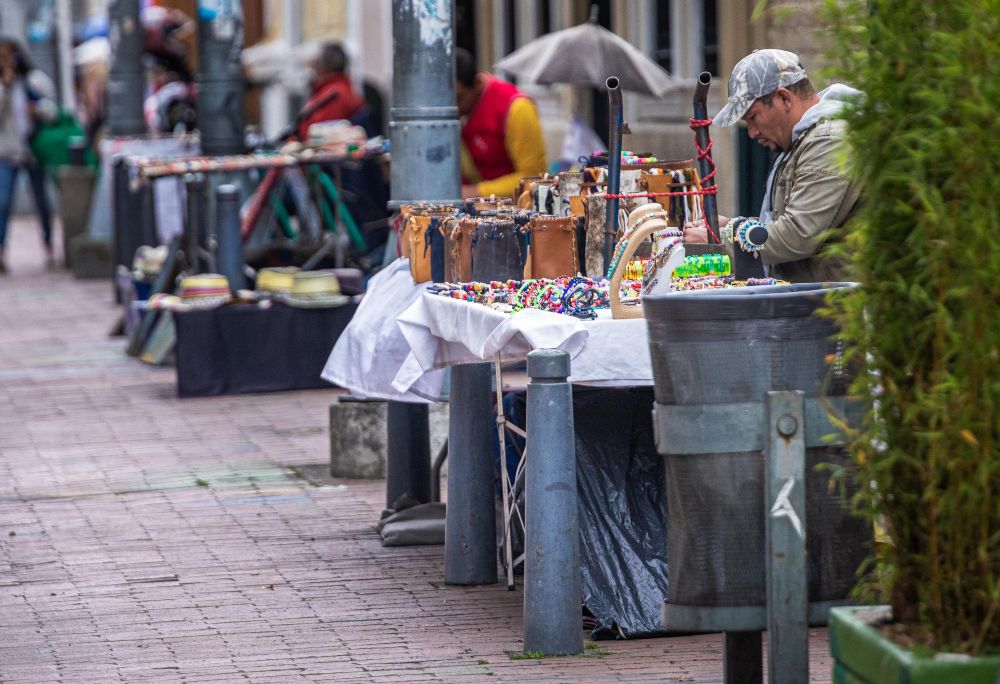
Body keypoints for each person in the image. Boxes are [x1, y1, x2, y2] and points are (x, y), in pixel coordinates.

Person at [683, 49, 862, 282]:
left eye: (753, 117)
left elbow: (798, 234)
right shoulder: (803, 140)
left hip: (839, 309)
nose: (752, 132)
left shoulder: (829, 141)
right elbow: (791, 223)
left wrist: (721, 238)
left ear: (784, 98)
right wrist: (739, 226)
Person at [454, 47, 546, 200]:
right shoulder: (462, 112)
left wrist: (476, 192)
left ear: (477, 83)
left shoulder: (517, 108)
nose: (453, 106)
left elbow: (534, 177)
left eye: (459, 98)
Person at [0, 37, 32, 274]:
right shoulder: (6, 86)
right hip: (4, 151)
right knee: (3, 201)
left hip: (28, 149)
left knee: (38, 200)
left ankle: (49, 243)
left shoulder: (28, 82)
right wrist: (5, 88)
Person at [297, 42, 368, 142]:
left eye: (314, 65)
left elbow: (317, 136)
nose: (311, 70)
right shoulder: (337, 90)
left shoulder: (334, 95)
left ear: (322, 67)